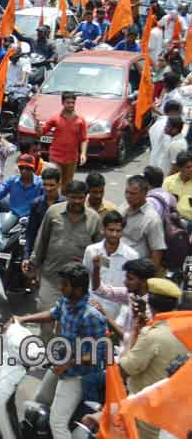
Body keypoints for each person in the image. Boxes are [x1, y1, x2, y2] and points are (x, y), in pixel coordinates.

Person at [14, 263, 108, 439]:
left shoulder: (92, 317)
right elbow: (52, 314)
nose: (60, 287)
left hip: (78, 374)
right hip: (61, 365)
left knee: (57, 422)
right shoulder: (66, 301)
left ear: (78, 289)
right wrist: (23, 319)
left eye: (64, 285)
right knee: (40, 400)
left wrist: (69, 363)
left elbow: (98, 355)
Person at [25, 180, 102, 340]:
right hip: (51, 277)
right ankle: (46, 352)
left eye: (80, 198)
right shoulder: (53, 212)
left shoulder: (94, 218)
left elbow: (98, 250)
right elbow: (42, 240)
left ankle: (60, 356)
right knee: (45, 319)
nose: (76, 201)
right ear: (66, 196)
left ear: (85, 197)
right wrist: (33, 265)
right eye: (73, 197)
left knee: (67, 325)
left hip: (77, 286)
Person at [115, 278, 188, 439]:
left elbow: (124, 368)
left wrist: (135, 331)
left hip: (143, 415)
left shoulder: (152, 335)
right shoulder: (185, 331)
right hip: (173, 416)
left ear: (150, 304)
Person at [82, 211, 138, 322]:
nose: (114, 234)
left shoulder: (131, 256)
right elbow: (84, 277)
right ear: (103, 229)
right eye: (111, 230)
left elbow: (131, 289)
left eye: (118, 231)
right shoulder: (91, 250)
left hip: (116, 314)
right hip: (89, 307)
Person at [39, 92, 87, 191]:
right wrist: (36, 126)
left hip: (72, 157)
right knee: (54, 183)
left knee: (67, 185)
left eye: (73, 103)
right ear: (62, 103)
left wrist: (83, 153)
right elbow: (41, 132)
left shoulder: (80, 120)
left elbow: (84, 139)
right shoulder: (55, 118)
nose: (71, 105)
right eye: (68, 102)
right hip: (56, 156)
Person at [118, 175, 167, 271]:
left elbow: (157, 252)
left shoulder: (152, 219)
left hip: (135, 272)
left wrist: (148, 278)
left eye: (133, 194)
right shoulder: (123, 208)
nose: (128, 196)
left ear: (144, 193)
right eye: (127, 192)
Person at [0, 154, 43, 219]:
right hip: (13, 216)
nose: (24, 171)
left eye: (27, 168)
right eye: (21, 168)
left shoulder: (40, 183)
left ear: (33, 169)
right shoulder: (12, 180)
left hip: (32, 218)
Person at [24, 166, 64, 259]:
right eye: (45, 184)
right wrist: (26, 256)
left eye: (51, 185)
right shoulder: (36, 204)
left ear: (59, 184)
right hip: (40, 250)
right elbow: (31, 232)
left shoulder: (65, 204)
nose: (48, 188)